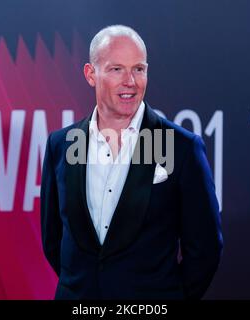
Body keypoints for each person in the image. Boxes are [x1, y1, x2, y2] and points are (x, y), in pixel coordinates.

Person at [40, 25, 223, 300]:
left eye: (138, 69)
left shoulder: (181, 147)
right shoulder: (61, 145)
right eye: (116, 69)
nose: (131, 81)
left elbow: (205, 248)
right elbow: (53, 240)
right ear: (91, 74)